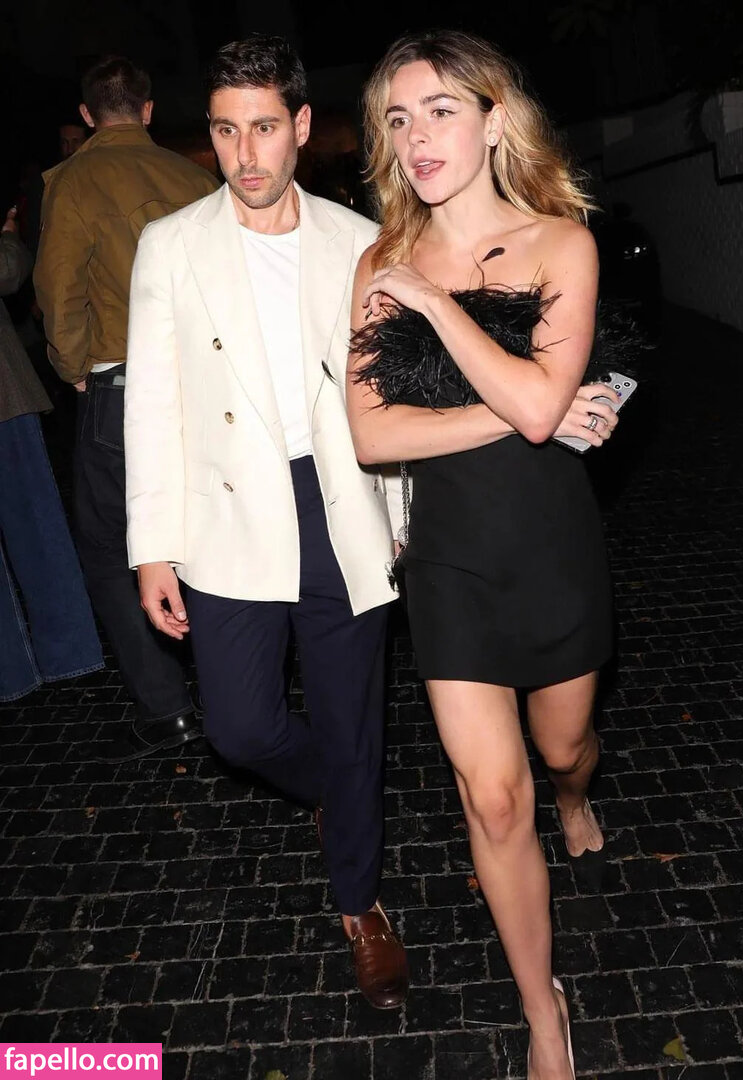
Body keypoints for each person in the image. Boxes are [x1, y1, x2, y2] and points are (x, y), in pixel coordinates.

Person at [347, 31, 619, 1079]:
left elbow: (548, 410)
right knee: (492, 797)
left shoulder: (562, 244)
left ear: (495, 120)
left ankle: (576, 794)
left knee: (561, 750)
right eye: (398, 118)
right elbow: (373, 433)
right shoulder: (381, 262)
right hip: (450, 557)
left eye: (441, 110)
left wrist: (436, 310)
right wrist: (520, 406)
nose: (417, 137)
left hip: (552, 546)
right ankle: (543, 1012)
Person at [122, 34, 410, 1010]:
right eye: (224, 131)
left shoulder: (358, 241)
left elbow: (391, 389)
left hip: (339, 501)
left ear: (300, 127)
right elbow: (151, 405)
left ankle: (361, 905)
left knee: (351, 713)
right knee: (240, 729)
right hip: (227, 513)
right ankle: (340, 790)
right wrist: (153, 547)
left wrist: (400, 513)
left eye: (263, 129)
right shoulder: (171, 245)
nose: (245, 155)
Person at [33, 56, 219, 762]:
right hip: (205, 383)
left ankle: (168, 709)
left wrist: (74, 370)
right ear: (147, 110)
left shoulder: (74, 181)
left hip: (123, 384)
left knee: (113, 550)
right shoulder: (194, 177)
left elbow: (59, 292)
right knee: (203, 528)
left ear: (87, 116)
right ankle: (231, 681)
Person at [0, 206, 103, 702]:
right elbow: (6, 271)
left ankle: (15, 673)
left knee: (35, 526)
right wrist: (8, 236)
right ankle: (68, 655)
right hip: (5, 400)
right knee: (36, 526)